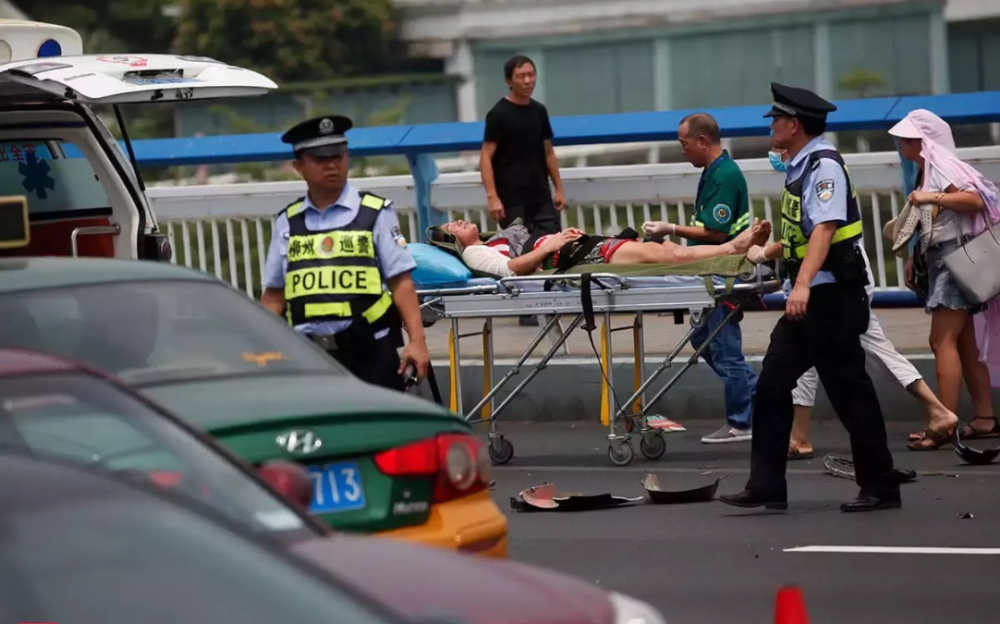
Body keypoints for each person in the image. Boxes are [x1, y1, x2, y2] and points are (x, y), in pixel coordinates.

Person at [719, 82, 900, 513]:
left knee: (849, 391)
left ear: (794, 125)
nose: (771, 127)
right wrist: (770, 251)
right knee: (772, 384)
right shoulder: (798, 166)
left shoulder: (824, 167)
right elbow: (803, 233)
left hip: (832, 297)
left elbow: (825, 228)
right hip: (811, 298)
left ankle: (881, 487)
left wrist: (800, 285)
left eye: (776, 120)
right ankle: (766, 485)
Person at [760, 139, 959, 456]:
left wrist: (765, 253)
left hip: (836, 282)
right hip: (827, 281)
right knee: (815, 362)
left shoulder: (819, 169)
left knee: (872, 354)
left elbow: (819, 232)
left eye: (781, 150)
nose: (777, 155)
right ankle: (799, 436)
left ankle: (936, 413)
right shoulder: (798, 176)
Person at [260, 115, 430, 391]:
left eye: (338, 156)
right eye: (319, 159)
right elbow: (274, 297)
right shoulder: (287, 222)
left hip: (372, 351)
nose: (331, 165)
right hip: (309, 355)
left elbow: (401, 283)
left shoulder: (375, 213)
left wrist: (417, 342)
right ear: (298, 166)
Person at [644, 113, 757, 444]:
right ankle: (757, 394)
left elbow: (716, 230)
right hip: (708, 271)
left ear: (703, 142)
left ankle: (742, 422)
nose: (682, 150)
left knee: (724, 348)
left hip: (722, 272)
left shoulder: (724, 177)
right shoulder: (714, 171)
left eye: (684, 144)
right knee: (702, 341)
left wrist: (671, 230)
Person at [891, 108, 1000, 444]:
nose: (900, 143)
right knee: (964, 344)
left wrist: (931, 196)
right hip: (946, 258)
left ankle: (943, 422)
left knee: (941, 341)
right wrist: (916, 255)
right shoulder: (927, 169)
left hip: (955, 260)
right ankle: (984, 418)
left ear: (919, 141)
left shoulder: (940, 168)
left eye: (906, 138)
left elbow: (974, 199)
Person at [481, 54, 566, 327]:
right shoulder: (498, 114)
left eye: (531, 74)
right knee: (520, 247)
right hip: (510, 196)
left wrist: (559, 188)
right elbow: (486, 156)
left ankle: (552, 296)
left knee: (553, 239)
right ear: (509, 81)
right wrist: (492, 196)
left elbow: (548, 151)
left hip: (540, 193)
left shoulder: (539, 111)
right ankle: (526, 306)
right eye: (521, 76)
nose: (528, 80)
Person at [442, 216, 772, 278]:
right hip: (570, 255)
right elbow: (510, 270)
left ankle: (735, 248)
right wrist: (552, 244)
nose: (458, 220)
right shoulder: (474, 253)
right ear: (456, 241)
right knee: (662, 253)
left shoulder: (493, 239)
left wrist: (560, 236)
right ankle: (733, 249)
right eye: (452, 226)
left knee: (658, 250)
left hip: (573, 247)